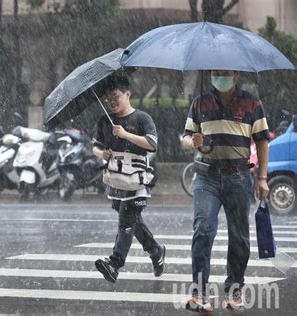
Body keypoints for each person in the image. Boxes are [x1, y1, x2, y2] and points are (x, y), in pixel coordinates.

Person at [181, 70, 270, 313]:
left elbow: (262, 141)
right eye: (215, 73)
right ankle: (199, 293)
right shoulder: (200, 102)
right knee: (203, 230)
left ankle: (234, 290)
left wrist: (262, 178)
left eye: (224, 73)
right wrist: (192, 141)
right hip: (206, 176)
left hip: (239, 176)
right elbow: (185, 137)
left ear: (236, 75)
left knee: (239, 235)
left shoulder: (252, 103)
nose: (219, 77)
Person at [93, 75, 166, 283]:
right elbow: (95, 146)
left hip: (137, 181)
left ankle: (114, 264)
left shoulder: (142, 118)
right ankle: (156, 251)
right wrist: (102, 154)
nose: (112, 101)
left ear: (128, 94)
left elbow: (152, 144)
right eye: (108, 98)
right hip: (115, 180)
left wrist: (126, 135)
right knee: (133, 221)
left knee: (126, 219)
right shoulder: (105, 121)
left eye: (115, 96)